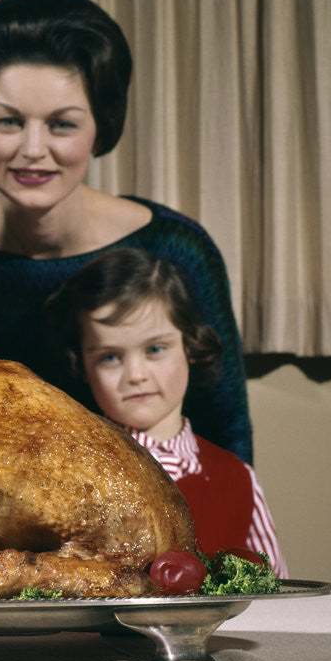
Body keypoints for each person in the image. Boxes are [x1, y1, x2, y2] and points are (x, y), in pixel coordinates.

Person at [0, 0, 253, 464]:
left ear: (100, 129)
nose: (32, 149)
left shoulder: (177, 250)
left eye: (62, 125)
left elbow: (227, 439)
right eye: (10, 122)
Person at [45, 247, 286, 576]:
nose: (136, 374)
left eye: (155, 349)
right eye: (110, 357)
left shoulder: (238, 477)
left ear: (191, 346)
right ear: (84, 366)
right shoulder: (68, 475)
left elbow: (274, 586)